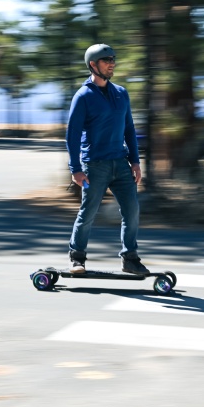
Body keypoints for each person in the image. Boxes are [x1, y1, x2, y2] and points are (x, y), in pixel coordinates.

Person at [65, 44, 149, 275]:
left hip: (121, 164)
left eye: (113, 59)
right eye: (106, 60)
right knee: (88, 212)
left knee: (132, 211)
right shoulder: (83, 97)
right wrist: (75, 169)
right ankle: (77, 258)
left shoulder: (121, 93)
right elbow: (72, 136)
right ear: (93, 64)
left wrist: (135, 161)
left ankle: (130, 258)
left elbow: (129, 129)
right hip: (94, 166)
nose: (112, 63)